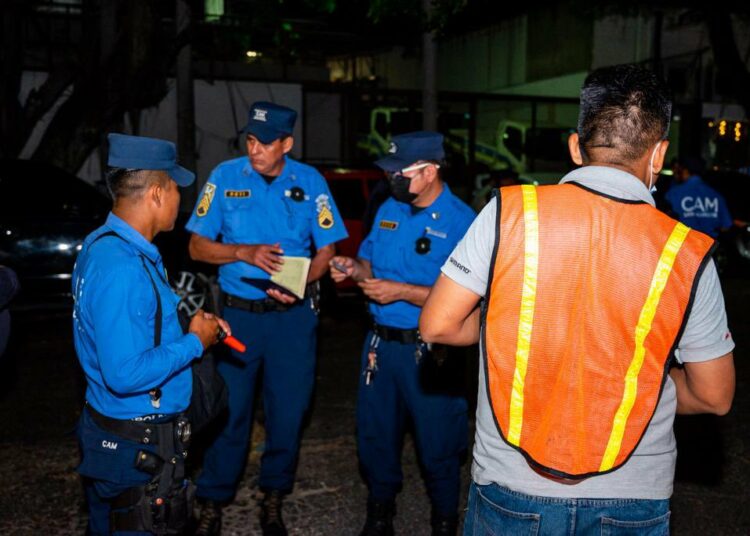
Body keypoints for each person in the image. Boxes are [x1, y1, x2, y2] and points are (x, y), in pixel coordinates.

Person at [420, 65, 736, 534]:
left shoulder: (509, 212)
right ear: (659, 155)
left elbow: (438, 325)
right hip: (633, 493)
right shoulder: (686, 252)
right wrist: (638, 384)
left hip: (512, 483)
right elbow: (714, 396)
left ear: (575, 147)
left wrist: (508, 330)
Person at [187, 101, 348, 535]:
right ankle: (213, 500)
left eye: (265, 142)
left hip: (292, 320)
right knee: (229, 412)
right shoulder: (224, 177)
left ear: (287, 144)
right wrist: (242, 251)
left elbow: (327, 250)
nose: (255, 149)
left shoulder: (310, 182)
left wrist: (301, 283)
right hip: (239, 318)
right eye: (251, 140)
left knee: (288, 411)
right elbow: (197, 247)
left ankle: (274, 495)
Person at [72, 133, 229, 535]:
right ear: (157, 192)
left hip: (116, 434)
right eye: (176, 187)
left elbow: (135, 328)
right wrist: (195, 343)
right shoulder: (124, 267)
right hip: (135, 449)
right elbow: (124, 372)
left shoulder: (103, 244)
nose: (181, 196)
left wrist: (189, 326)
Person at [330, 131, 476, 536]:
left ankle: (444, 520)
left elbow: (471, 298)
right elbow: (368, 263)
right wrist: (352, 269)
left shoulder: (462, 221)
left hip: (430, 351)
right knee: (375, 435)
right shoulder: (389, 208)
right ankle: (379, 516)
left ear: (430, 171)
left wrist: (404, 293)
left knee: (439, 442)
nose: (391, 178)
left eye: (400, 171)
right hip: (380, 346)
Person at [665, 155, 732, 238]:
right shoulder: (716, 195)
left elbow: (665, 224)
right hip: (710, 247)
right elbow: (726, 226)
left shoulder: (673, 194)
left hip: (683, 246)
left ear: (685, 170)